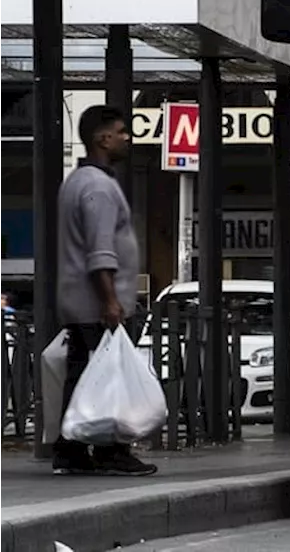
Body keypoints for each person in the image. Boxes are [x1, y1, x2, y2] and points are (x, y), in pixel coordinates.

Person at [51, 106, 156, 477]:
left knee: (84, 376)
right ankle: (112, 449)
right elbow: (100, 250)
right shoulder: (97, 187)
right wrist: (112, 301)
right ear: (102, 138)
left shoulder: (77, 182)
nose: (127, 137)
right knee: (109, 379)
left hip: (81, 301)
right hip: (97, 304)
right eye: (121, 131)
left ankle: (71, 449)